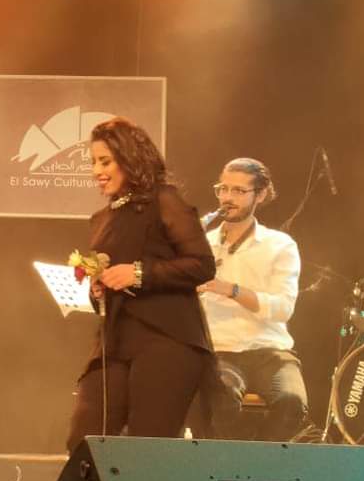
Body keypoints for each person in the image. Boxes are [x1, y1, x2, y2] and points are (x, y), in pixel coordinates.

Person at [65, 117, 216, 451]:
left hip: (167, 337)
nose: (96, 171)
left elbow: (202, 265)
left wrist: (139, 273)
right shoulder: (100, 220)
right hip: (115, 342)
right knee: (84, 438)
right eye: (93, 162)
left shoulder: (164, 200)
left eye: (105, 161)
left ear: (129, 158)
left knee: (147, 444)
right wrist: (98, 290)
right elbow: (107, 287)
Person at [196, 157, 308, 441]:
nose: (227, 198)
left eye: (238, 191)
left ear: (260, 195)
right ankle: (231, 463)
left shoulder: (280, 245)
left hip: (270, 352)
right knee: (221, 396)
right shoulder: (202, 243)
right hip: (220, 351)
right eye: (223, 189)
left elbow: (283, 309)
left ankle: (263, 461)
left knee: (292, 401)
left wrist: (232, 290)